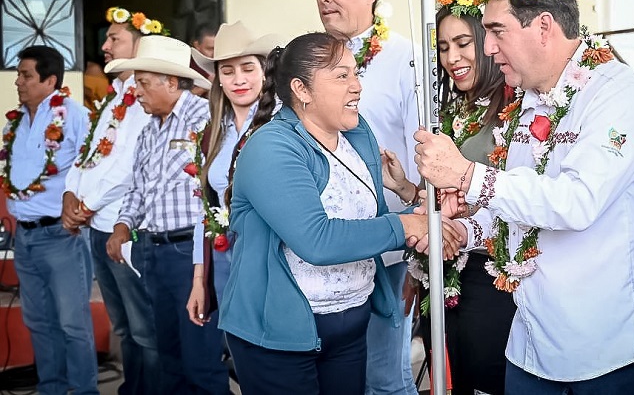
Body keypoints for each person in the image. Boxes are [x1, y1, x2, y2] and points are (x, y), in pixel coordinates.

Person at [413, 0, 634, 394]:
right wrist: (463, 229)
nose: (490, 49)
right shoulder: (526, 101)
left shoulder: (622, 94)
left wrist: (465, 174)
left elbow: (576, 202)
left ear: (544, 26)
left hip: (609, 348)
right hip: (532, 343)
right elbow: (519, 211)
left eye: (497, 32)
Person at [217, 32, 460, 394]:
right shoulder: (271, 147)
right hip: (280, 335)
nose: (357, 86)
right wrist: (409, 223)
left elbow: (368, 221)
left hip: (350, 323)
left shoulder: (356, 134)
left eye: (355, 73)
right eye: (341, 75)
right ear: (302, 89)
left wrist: (417, 213)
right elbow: (317, 240)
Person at [382, 0, 517, 394]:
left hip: (493, 276)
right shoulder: (453, 110)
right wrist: (407, 189)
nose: (452, 58)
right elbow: (449, 200)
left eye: (463, 43)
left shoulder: (513, 111)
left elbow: (509, 196)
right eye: (443, 48)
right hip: (447, 272)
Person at [298, 0, 420, 394]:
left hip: (388, 248)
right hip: (323, 246)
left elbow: (421, 152)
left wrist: (416, 259)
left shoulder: (406, 59)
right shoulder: (312, 60)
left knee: (385, 378)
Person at [104, 35, 230, 395]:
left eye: (143, 83)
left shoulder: (205, 118)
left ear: (171, 82)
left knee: (201, 361)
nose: (138, 92)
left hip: (191, 255)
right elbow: (137, 190)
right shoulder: (148, 131)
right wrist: (123, 225)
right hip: (153, 253)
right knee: (168, 357)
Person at [62, 6, 162, 395]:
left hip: (123, 228)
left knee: (143, 329)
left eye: (114, 38)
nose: (104, 46)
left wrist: (85, 206)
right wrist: (71, 193)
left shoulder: (142, 100)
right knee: (123, 327)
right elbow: (87, 155)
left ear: (139, 46)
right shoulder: (111, 100)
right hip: (95, 228)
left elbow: (128, 169)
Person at [2, 46, 96, 394]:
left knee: (73, 324)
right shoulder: (16, 121)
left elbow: (92, 165)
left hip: (61, 234)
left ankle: (85, 390)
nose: (18, 81)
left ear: (50, 80)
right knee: (39, 322)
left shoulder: (74, 115)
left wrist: (82, 212)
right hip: (24, 239)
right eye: (19, 74)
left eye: (26, 75)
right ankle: (51, 388)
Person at [185, 21, 283, 323]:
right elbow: (204, 209)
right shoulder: (211, 133)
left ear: (264, 71)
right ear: (218, 80)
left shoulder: (278, 124)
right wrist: (198, 280)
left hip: (269, 256)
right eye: (228, 72)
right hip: (223, 253)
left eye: (247, 69)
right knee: (235, 341)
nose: (238, 79)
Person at [189, 23, 218, 97]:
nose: (214, 53)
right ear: (197, 45)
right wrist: (207, 85)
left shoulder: (222, 63)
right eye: (210, 49)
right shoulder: (185, 65)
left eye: (217, 48)